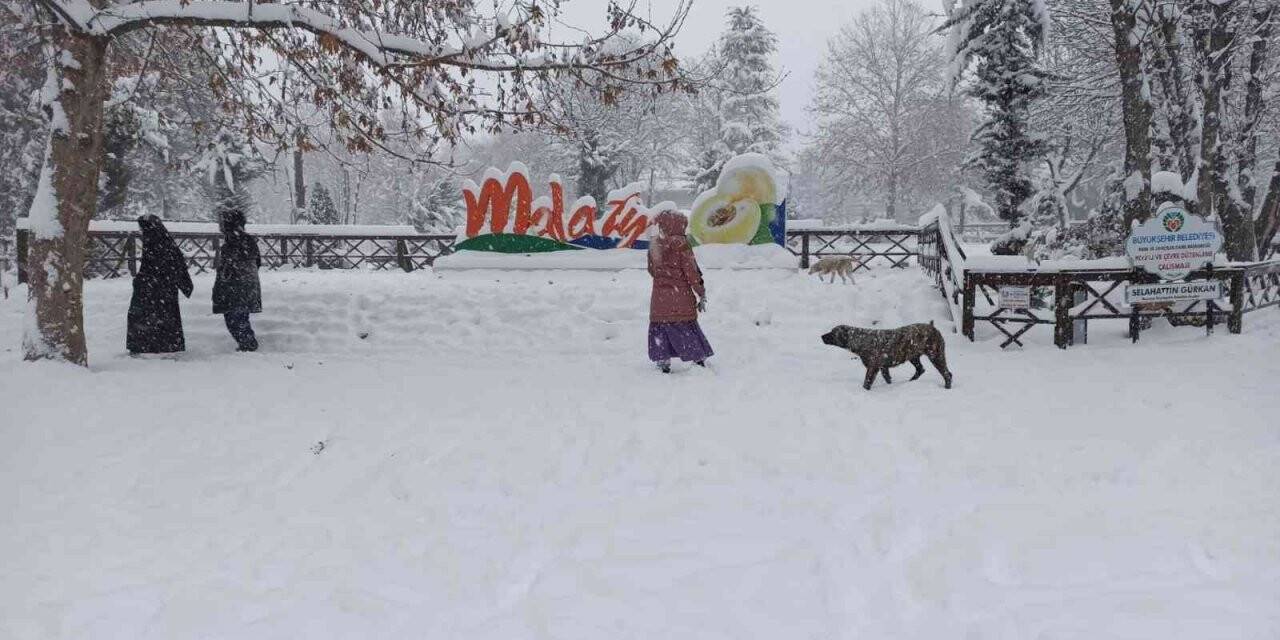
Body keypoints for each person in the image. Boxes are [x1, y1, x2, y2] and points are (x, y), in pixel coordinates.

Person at [647, 209, 713, 373]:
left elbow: (652, 271)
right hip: (680, 298)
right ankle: (697, 358)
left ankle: (662, 361)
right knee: (684, 328)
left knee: (660, 329)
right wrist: (701, 291)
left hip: (659, 301)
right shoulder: (682, 244)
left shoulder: (654, 243)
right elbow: (691, 272)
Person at [127, 215, 194, 354]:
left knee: (146, 316)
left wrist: (143, 280)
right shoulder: (163, 241)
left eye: (142, 228)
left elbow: (159, 264)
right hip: (163, 287)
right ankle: (165, 344)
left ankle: (147, 345)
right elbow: (177, 263)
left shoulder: (154, 242)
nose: (141, 231)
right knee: (163, 316)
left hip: (154, 287)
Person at [213, 209, 262, 351]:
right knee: (238, 317)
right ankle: (246, 343)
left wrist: (229, 273)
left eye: (222, 223)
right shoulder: (245, 239)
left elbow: (229, 264)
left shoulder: (234, 241)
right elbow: (256, 262)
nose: (220, 226)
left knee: (234, 317)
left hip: (236, 287)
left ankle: (248, 344)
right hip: (244, 286)